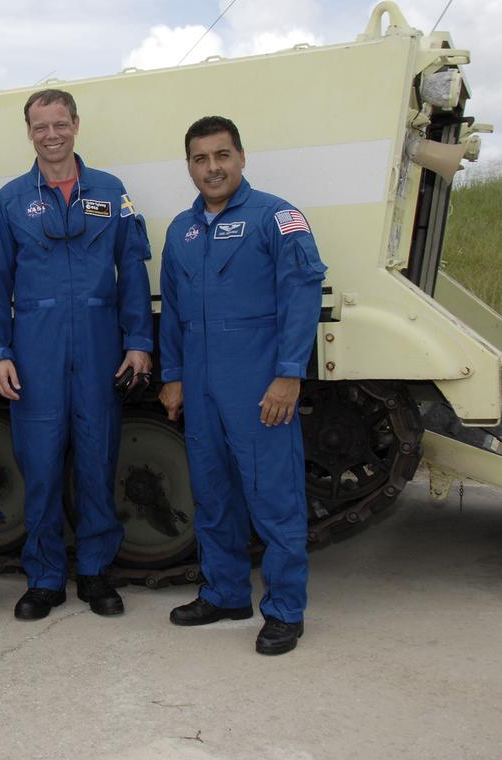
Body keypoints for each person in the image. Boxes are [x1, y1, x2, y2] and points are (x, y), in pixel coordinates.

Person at [0, 89, 153, 621]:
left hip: (100, 344)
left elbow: (133, 269)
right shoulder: (10, 200)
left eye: (60, 123)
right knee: (41, 466)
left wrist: (139, 341)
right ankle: (46, 577)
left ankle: (97, 573)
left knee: (99, 462)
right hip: (36, 346)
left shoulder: (109, 190)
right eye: (40, 126)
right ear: (28, 132)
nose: (50, 135)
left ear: (75, 124)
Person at [159, 115, 326, 656]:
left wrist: (288, 374)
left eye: (222, 155)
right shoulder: (180, 232)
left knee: (273, 499)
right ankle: (225, 593)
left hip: (258, 384)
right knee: (212, 495)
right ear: (189, 166)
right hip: (201, 383)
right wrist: (173, 376)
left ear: (241, 157)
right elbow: (173, 313)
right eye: (201, 159)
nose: (213, 167)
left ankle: (284, 610)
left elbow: (302, 298)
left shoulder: (277, 217)